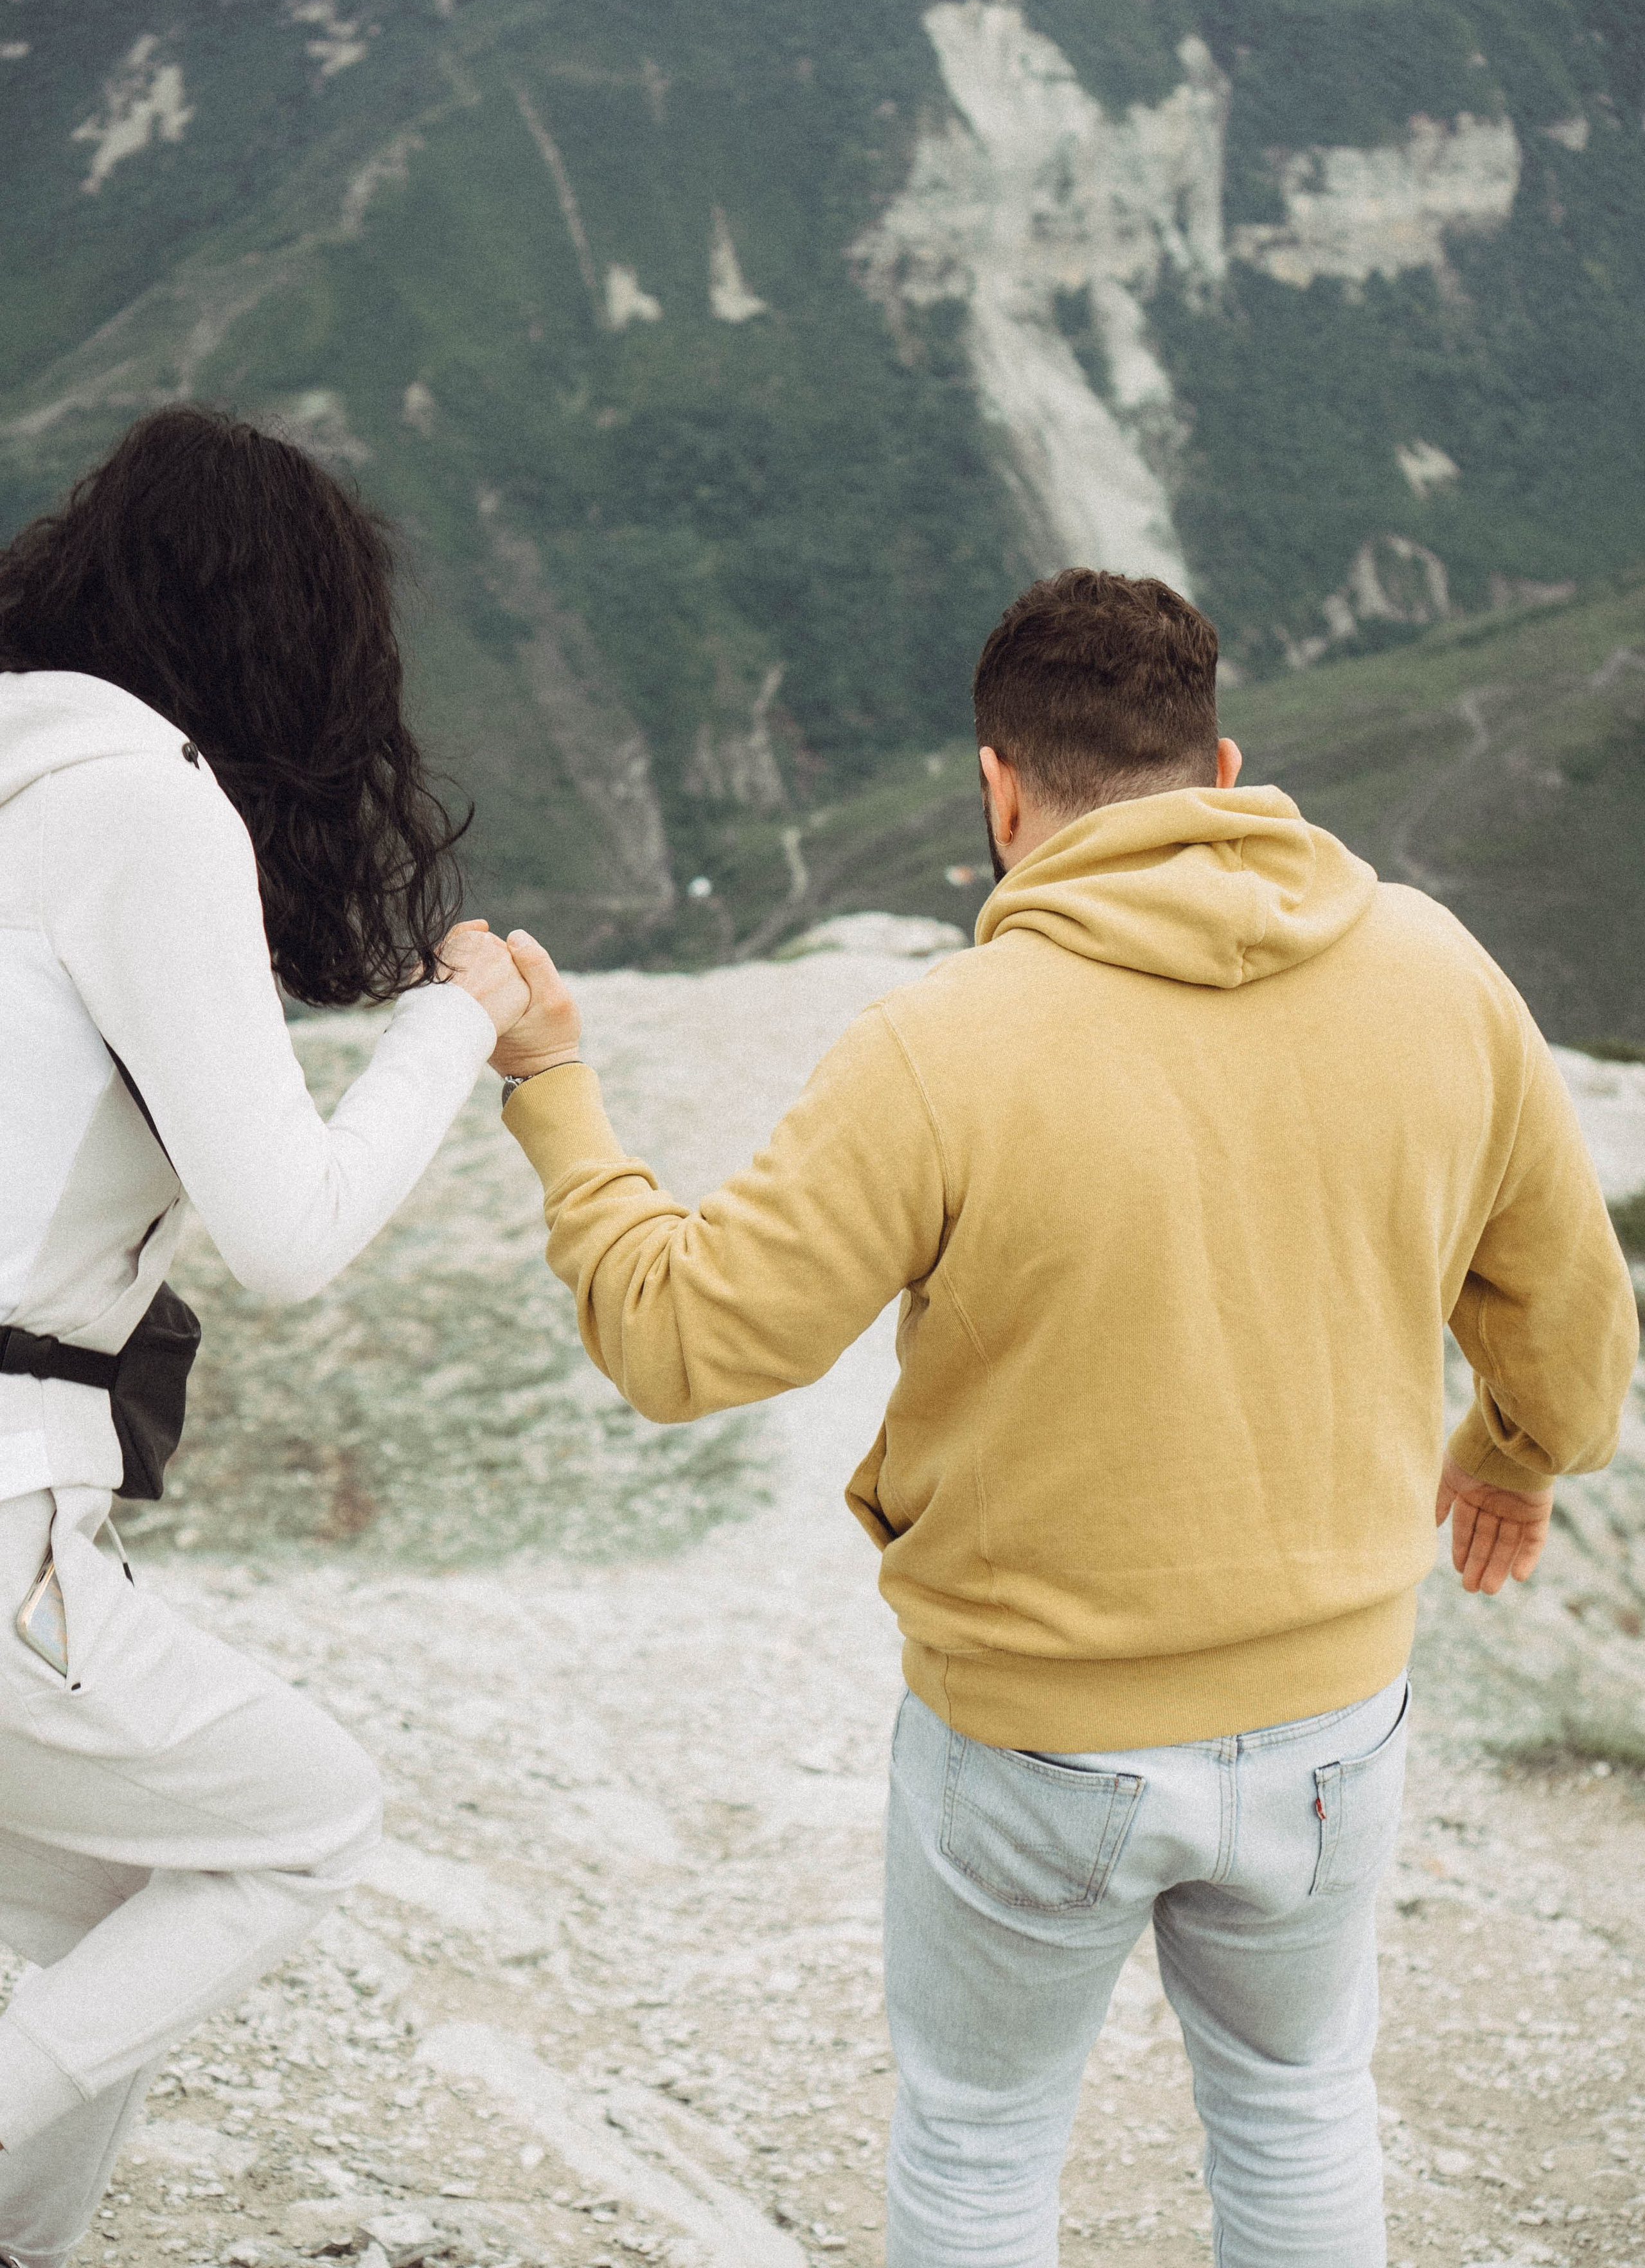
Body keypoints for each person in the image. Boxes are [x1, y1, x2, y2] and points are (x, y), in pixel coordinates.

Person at [485, 569, 1637, 2268]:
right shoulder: (1440, 976)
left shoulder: (938, 1047)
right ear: (1228, 768)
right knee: (1301, 2100)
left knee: (980, 2141)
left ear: (999, 789)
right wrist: (1510, 1459)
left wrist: (553, 1090)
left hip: (1033, 1734)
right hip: (1328, 1716)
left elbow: (687, 1343)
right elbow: (1573, 1329)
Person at [0, 409, 531, 2268]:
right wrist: (454, 1023)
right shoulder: (145, 801)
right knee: (298, 1818)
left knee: (119, 1900)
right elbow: (290, 1232)